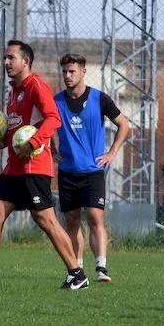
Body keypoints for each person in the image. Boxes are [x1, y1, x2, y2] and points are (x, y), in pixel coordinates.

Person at [0, 40, 89, 290]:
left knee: (46, 220)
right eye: (6, 58)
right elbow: (13, 132)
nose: (6, 62)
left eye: (11, 58)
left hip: (33, 167)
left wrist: (34, 142)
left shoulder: (36, 87)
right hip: (14, 168)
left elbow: (53, 119)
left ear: (25, 61)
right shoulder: (13, 93)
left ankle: (77, 274)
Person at [54, 53, 130, 283]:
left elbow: (124, 125)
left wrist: (112, 152)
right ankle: (77, 270)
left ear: (83, 72)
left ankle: (101, 268)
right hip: (67, 171)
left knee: (95, 216)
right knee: (72, 220)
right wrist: (50, 149)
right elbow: (44, 125)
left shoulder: (99, 99)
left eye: (72, 71)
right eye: (65, 72)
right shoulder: (56, 101)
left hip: (93, 170)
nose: (67, 76)